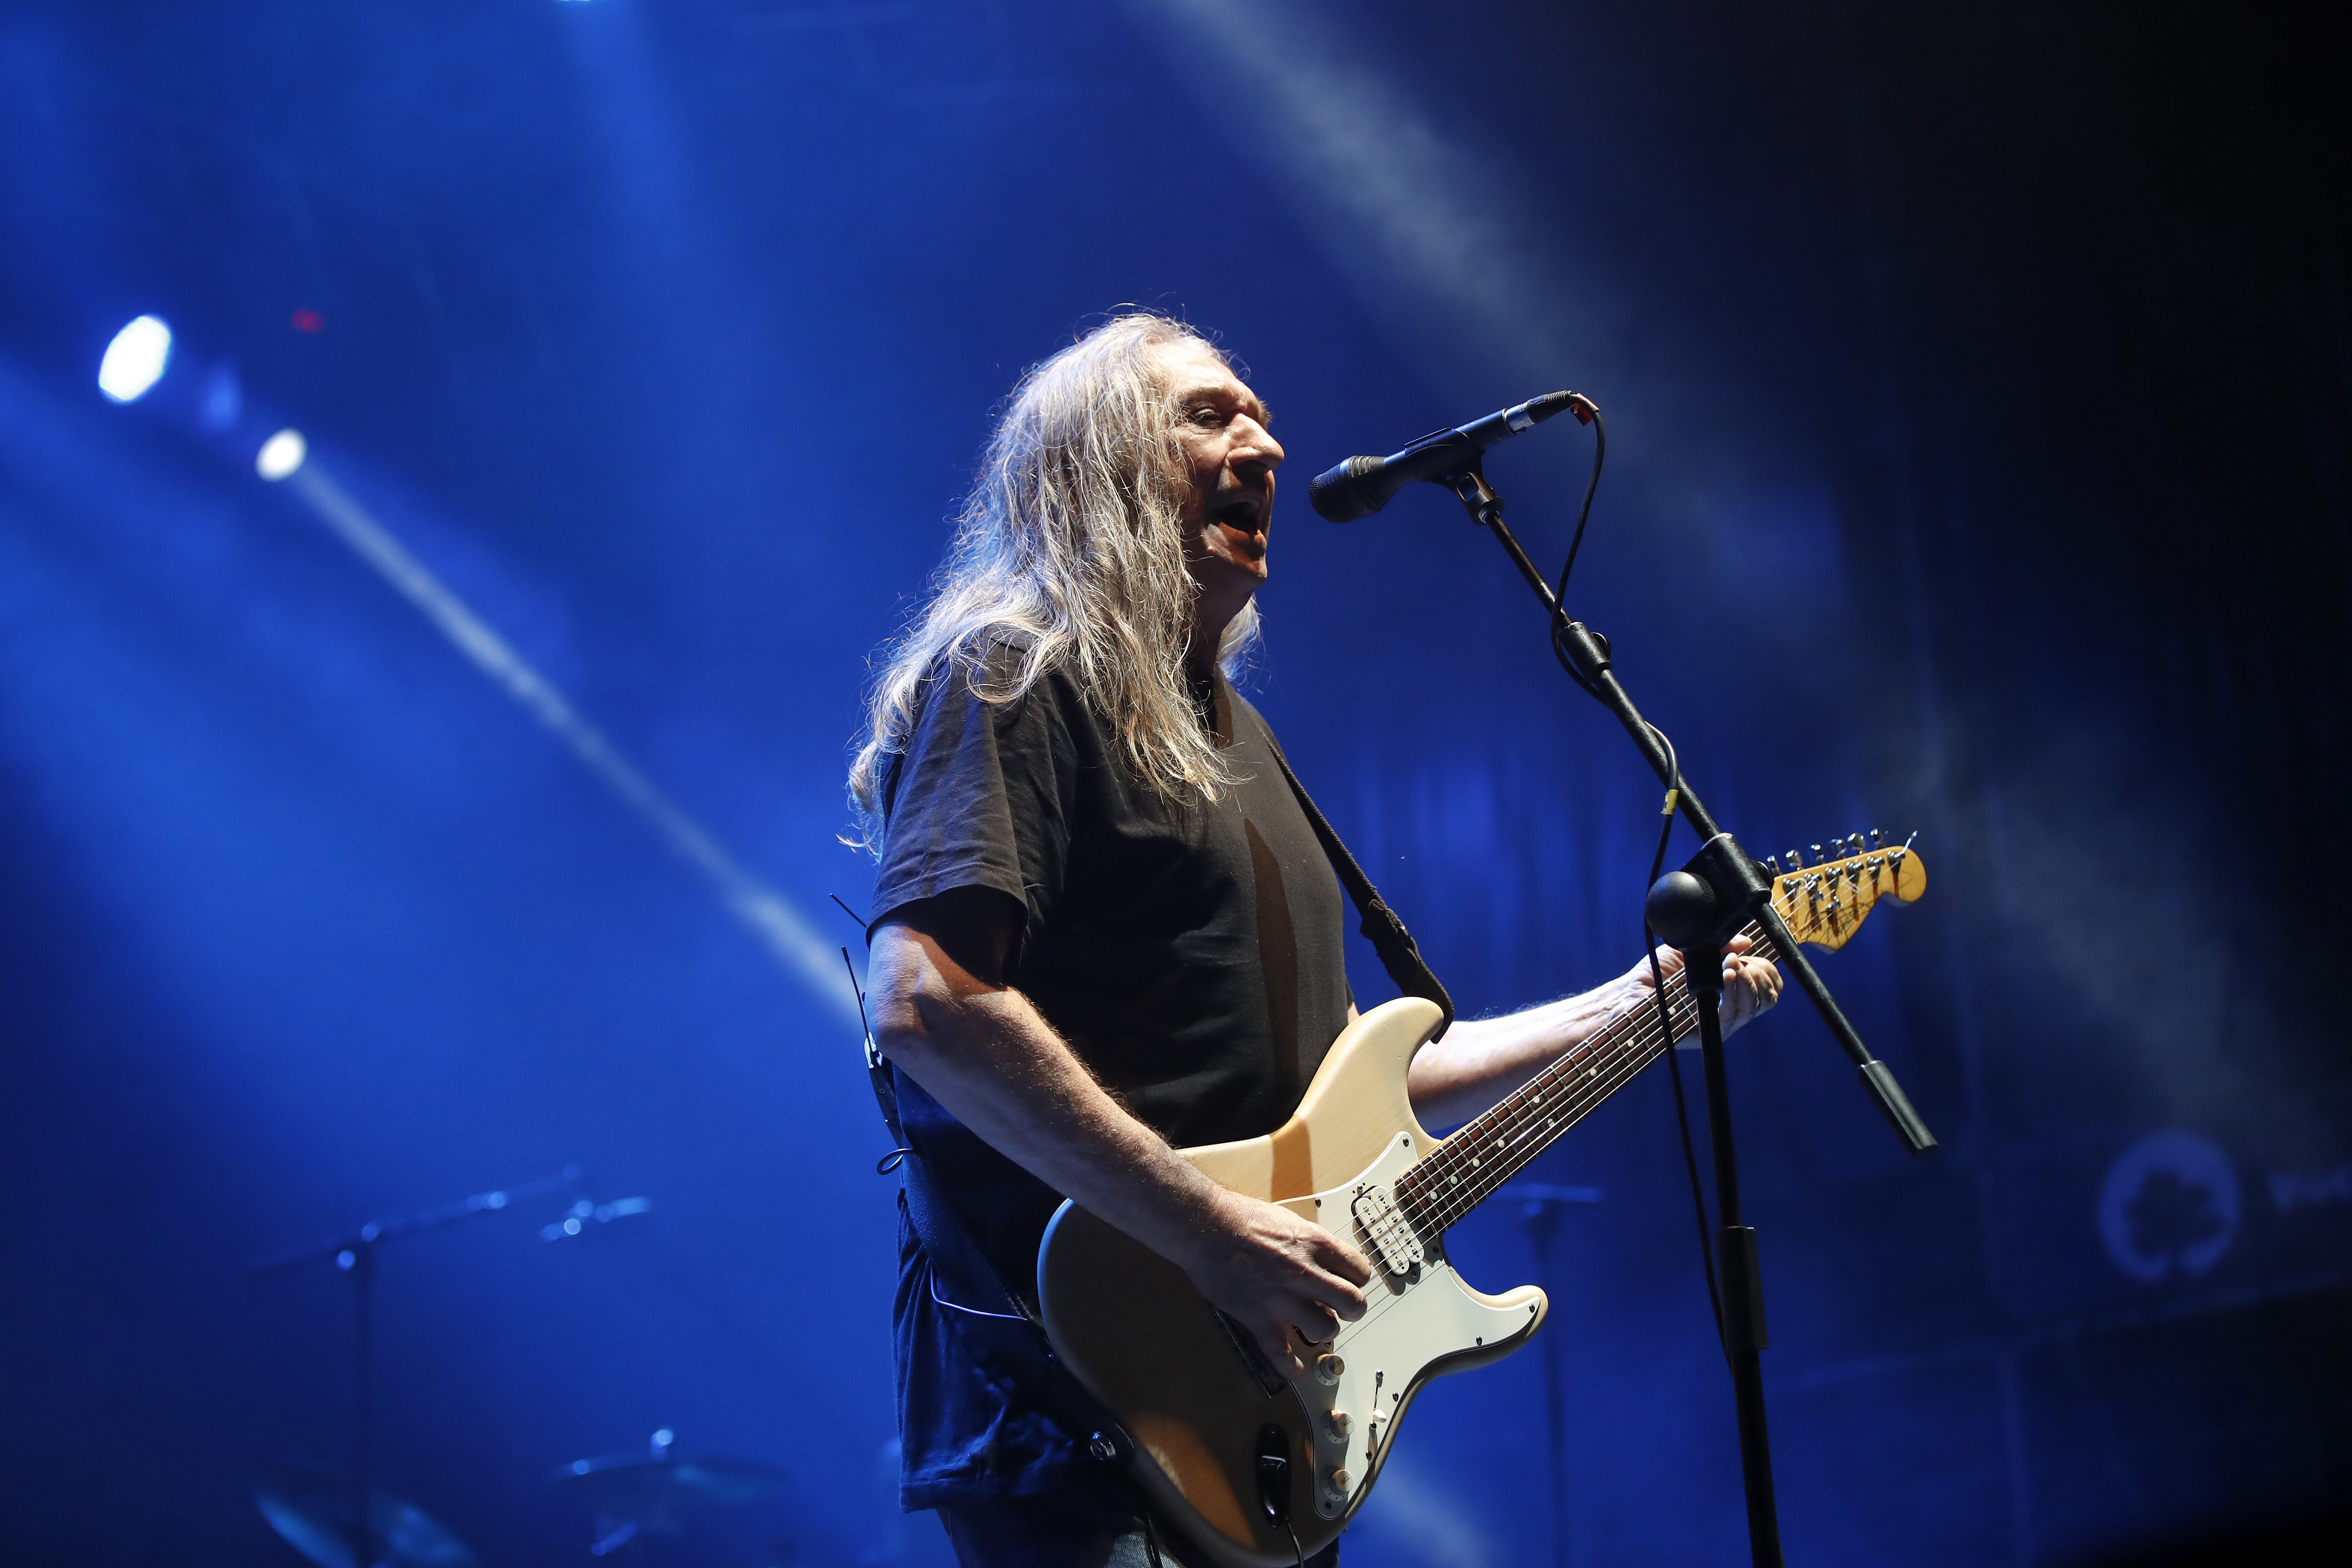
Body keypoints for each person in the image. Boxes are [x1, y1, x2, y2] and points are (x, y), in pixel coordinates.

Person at [850, 313, 1781, 1568]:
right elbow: (930, 1003)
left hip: (1254, 1404)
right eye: (1212, 413)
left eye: (1262, 415)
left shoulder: (1237, 735)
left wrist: (1637, 1005)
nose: (1268, 443)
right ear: (1099, 462)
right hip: (1074, 1398)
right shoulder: (1015, 674)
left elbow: (1334, 1061)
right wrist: (1207, 1229)